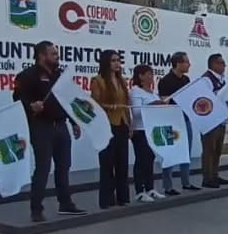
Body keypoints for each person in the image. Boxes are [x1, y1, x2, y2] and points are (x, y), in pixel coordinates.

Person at [14, 41, 86, 222]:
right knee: (43, 168)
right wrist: (31, 106)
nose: (57, 57)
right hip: (41, 127)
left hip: (61, 125)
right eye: (53, 54)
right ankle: (36, 209)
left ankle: (66, 204)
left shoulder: (59, 76)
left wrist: (74, 122)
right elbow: (18, 99)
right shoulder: (27, 75)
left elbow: (67, 100)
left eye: (57, 54)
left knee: (64, 166)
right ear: (42, 56)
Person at [90, 50, 131, 209]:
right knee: (107, 163)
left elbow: (126, 104)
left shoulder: (122, 81)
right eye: (113, 60)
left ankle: (123, 197)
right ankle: (106, 199)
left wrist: (130, 124)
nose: (116, 63)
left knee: (122, 162)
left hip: (122, 123)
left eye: (118, 60)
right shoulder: (98, 81)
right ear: (106, 62)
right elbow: (94, 104)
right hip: (106, 125)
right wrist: (111, 106)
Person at [157, 52, 200, 195]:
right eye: (186, 62)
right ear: (178, 63)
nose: (189, 65)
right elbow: (164, 102)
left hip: (185, 120)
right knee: (169, 153)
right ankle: (168, 186)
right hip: (171, 122)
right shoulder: (165, 81)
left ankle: (186, 182)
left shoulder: (186, 80)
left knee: (185, 152)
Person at [128, 64, 165, 202]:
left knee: (150, 159)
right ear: (140, 76)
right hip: (140, 130)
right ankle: (139, 191)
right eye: (148, 74)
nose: (151, 76)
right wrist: (154, 104)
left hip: (152, 129)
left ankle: (150, 188)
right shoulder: (135, 91)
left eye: (152, 73)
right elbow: (136, 112)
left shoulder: (152, 92)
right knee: (141, 159)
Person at [200, 53, 228, 189]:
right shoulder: (207, 79)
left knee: (217, 149)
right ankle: (207, 177)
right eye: (222, 63)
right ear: (214, 64)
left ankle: (215, 174)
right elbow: (206, 98)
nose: (224, 66)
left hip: (220, 119)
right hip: (210, 120)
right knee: (209, 149)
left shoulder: (221, 79)